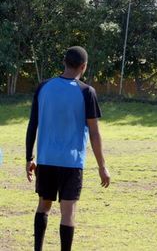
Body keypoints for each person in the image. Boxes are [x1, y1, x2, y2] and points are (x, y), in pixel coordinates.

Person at [25, 46, 111, 251]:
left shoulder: (43, 87)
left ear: (64, 62)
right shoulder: (86, 92)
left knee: (43, 205)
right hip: (71, 163)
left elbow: (32, 124)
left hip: (45, 159)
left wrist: (29, 157)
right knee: (68, 211)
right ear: (84, 66)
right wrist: (102, 166)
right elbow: (94, 132)